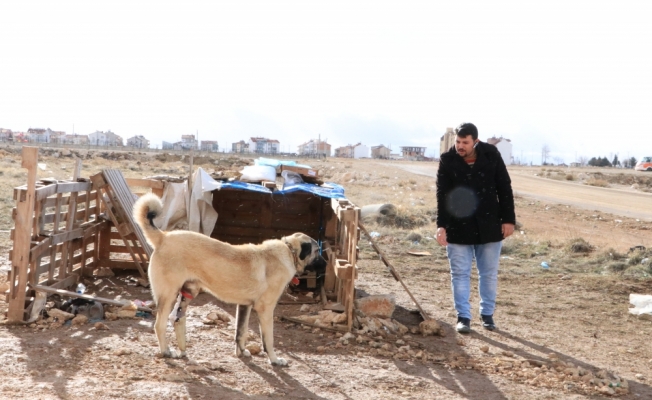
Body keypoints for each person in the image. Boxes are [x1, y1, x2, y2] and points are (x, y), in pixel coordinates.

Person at [435, 123, 515, 333]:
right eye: (458, 142)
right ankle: (464, 317)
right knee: (459, 273)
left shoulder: (491, 154)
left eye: (465, 142)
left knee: (488, 273)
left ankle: (487, 315)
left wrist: (508, 220)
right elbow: (442, 195)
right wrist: (441, 225)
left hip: (489, 224)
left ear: (475, 141)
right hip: (458, 226)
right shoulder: (447, 159)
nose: (460, 146)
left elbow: (504, 187)